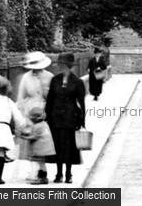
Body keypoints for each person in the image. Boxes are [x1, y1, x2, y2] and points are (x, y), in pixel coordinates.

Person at [45, 52, 86, 184]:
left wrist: (81, 120)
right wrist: (47, 115)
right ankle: (58, 173)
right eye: (59, 65)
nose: (60, 67)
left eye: (62, 65)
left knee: (68, 147)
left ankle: (68, 173)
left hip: (70, 119)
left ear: (68, 66)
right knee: (57, 147)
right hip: (55, 118)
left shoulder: (78, 82)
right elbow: (50, 99)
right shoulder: (55, 80)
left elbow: (81, 103)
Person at [16, 51, 54, 183]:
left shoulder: (49, 76)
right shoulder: (26, 77)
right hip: (30, 112)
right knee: (31, 144)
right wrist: (22, 116)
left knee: (42, 143)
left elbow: (53, 97)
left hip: (44, 112)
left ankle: (41, 172)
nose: (35, 70)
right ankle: (35, 171)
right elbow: (21, 96)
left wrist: (48, 111)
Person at [20, 105, 56, 184]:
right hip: (45, 149)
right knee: (41, 163)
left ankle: (42, 178)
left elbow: (34, 136)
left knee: (40, 164)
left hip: (41, 149)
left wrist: (24, 137)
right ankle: (41, 177)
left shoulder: (38, 126)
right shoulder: (44, 124)